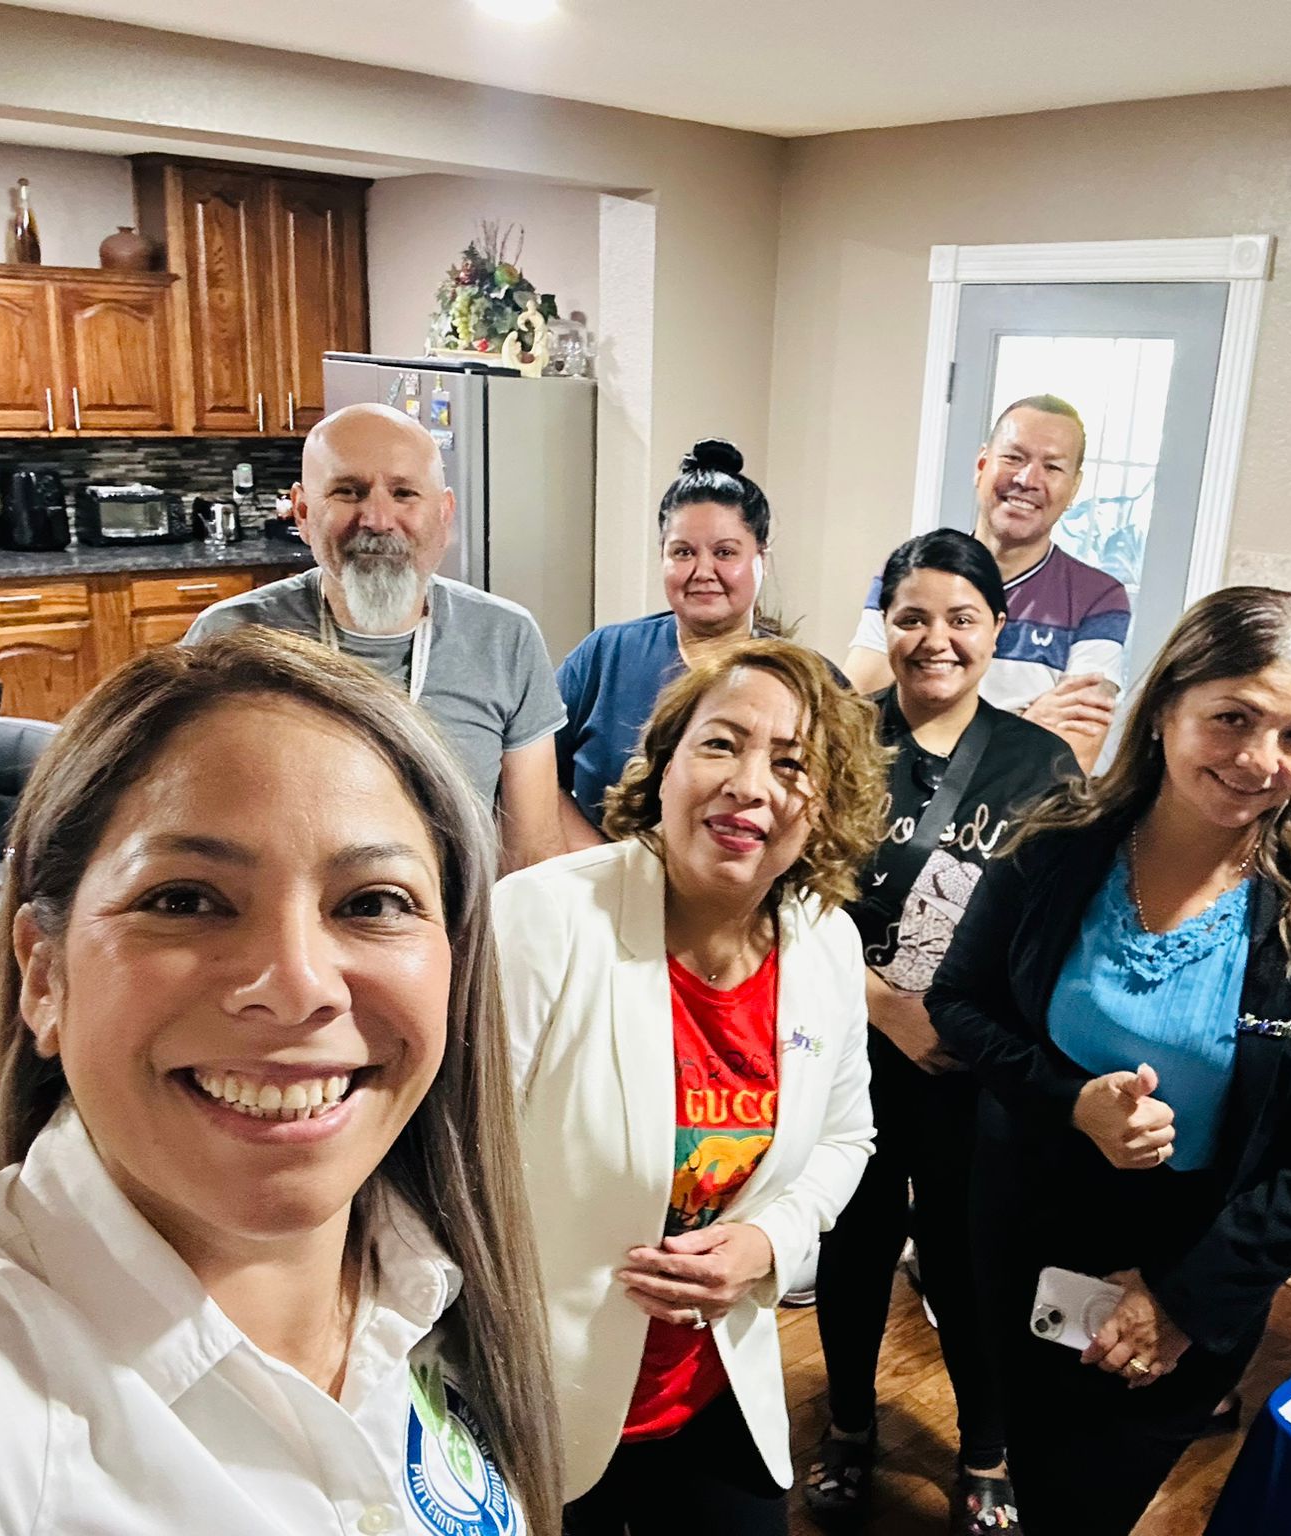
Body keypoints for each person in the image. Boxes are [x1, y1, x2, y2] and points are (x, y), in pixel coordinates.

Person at [0, 628, 562, 1535]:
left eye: (372, 903)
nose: (297, 986)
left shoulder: (429, 1264)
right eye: (184, 900)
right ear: (44, 976)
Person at [926, 586, 1291, 1535]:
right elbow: (960, 1003)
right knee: (1031, 1444)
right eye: (1233, 718)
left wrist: (1186, 1297)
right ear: (1164, 711)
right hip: (1026, 1228)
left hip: (1199, 1254)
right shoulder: (1059, 842)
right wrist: (1071, 1100)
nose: (1260, 760)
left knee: (1091, 1496)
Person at [496, 638, 889, 1533]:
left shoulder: (824, 941)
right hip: (543, 1394)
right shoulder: (546, 919)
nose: (749, 785)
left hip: (715, 1388)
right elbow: (445, 1162)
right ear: (664, 767)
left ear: (825, 806)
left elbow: (846, 1139)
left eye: (791, 763)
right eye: (721, 744)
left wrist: (769, 1243)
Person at [805, 529, 1076, 1534]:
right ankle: (847, 1426)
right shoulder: (833, 739)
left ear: (996, 627)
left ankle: (986, 1448)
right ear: (884, 623)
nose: (935, 640)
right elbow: (789, 894)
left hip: (977, 1068)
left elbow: (1057, 925)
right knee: (853, 1249)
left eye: (961, 618)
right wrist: (884, 1005)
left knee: (973, 1265)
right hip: (846, 1051)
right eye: (911, 617)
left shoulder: (1041, 764)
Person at [186, 401, 566, 870]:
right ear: (302, 512)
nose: (378, 519)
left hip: (460, 915)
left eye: (404, 493)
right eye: (348, 492)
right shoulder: (229, 638)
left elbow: (532, 853)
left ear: (444, 514)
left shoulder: (505, 638)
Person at [843, 395, 1131, 769]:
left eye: (1052, 467)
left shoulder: (1099, 599)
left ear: (1074, 487)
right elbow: (855, 718)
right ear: (981, 465)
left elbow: (1069, 762)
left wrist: (936, 728)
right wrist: (1025, 725)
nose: (1027, 480)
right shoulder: (909, 574)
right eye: (1013, 458)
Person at [554, 439, 776, 849]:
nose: (703, 570)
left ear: (762, 557)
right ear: (662, 556)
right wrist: (609, 868)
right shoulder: (605, 656)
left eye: (725, 552)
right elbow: (534, 776)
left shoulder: (798, 679)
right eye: (683, 552)